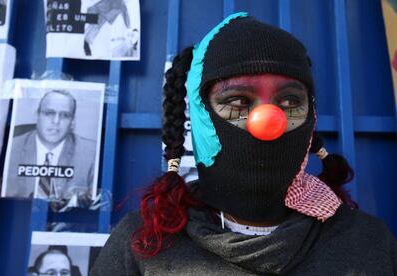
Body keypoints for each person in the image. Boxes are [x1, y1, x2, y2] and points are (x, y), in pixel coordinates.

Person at [90, 13, 397, 275]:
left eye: (290, 101)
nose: (268, 122)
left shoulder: (368, 242)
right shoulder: (143, 242)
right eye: (238, 101)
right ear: (200, 118)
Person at [4, 90, 96, 200]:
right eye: (49, 113)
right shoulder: (12, 148)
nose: (56, 121)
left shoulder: (91, 153)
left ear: (72, 121)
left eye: (65, 115)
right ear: (36, 116)